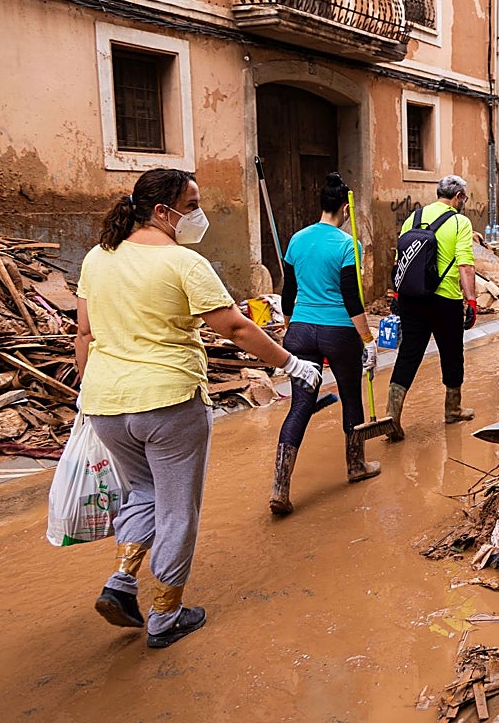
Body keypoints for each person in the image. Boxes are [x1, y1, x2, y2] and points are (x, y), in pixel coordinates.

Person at [76, 168, 321, 649]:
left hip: (106, 405)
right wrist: (291, 363)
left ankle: (122, 582)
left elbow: (84, 334)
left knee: (143, 493)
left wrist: (89, 394)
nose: (198, 214)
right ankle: (165, 616)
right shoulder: (183, 263)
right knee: (177, 509)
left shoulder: (97, 258)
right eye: (192, 205)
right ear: (163, 211)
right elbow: (236, 328)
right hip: (167, 403)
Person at [270, 173, 381, 516]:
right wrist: (369, 341)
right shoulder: (349, 245)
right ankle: (356, 465)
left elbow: (287, 293)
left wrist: (292, 330)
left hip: (301, 330)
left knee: (300, 406)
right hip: (338, 332)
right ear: (345, 209)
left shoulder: (297, 239)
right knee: (351, 396)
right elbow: (352, 299)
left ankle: (279, 488)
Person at [385, 175, 478, 438]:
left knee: (409, 354)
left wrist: (396, 295)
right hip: (444, 298)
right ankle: (453, 409)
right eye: (464, 198)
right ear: (458, 196)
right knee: (451, 352)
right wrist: (471, 301)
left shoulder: (411, 219)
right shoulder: (460, 222)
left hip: (410, 298)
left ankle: (392, 416)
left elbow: (399, 261)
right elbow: (465, 265)